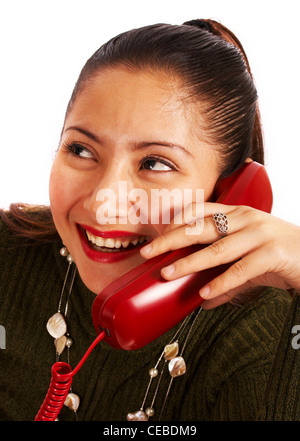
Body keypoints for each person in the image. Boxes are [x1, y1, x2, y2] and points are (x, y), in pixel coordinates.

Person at [0, 18, 299, 422]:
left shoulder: (271, 331)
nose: (105, 204)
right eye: (82, 150)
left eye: (155, 163)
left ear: (230, 192)